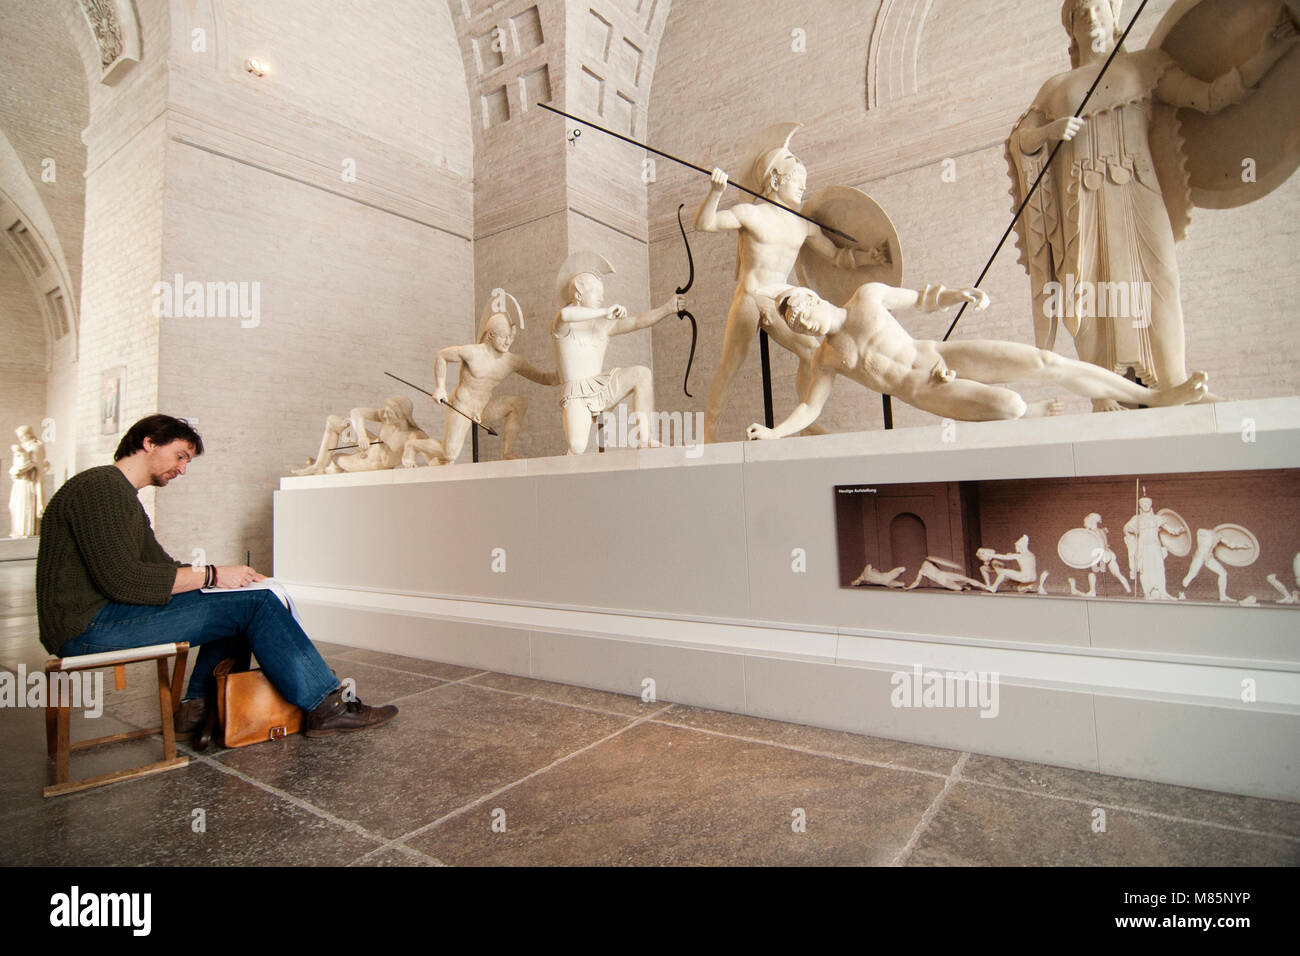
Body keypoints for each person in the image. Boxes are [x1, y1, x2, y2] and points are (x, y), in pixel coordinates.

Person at [1007, 0, 1297, 410]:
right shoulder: (1058, 88)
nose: (1090, 17)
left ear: (1115, 16)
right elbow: (1023, 142)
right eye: (1080, 13)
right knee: (1087, 293)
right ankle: (1104, 394)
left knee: (1161, 283)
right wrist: (1052, 130)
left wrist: (1268, 53)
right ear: (1070, 30)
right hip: (1082, 201)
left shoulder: (1145, 68)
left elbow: (1211, 98)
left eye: (1098, 8)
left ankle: (1174, 382)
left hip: (1139, 191)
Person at [36, 414, 396, 743]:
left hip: (104, 618)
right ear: (149, 442)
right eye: (180, 456)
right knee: (255, 606)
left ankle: (198, 711)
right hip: (86, 629)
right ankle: (328, 708)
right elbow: (125, 582)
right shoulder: (100, 488)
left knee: (241, 600)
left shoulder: (122, 497)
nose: (182, 469)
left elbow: (162, 568)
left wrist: (226, 577)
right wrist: (211, 575)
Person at [744, 283, 1210, 440]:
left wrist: (956, 294)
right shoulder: (827, 359)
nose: (808, 324)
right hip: (928, 390)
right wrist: (773, 431)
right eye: (800, 326)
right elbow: (811, 408)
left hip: (940, 355)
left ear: (816, 297)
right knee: (1012, 407)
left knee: (1046, 360)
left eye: (807, 312)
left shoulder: (866, 298)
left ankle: (1151, 396)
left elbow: (921, 299)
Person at [694, 129, 885, 442]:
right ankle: (709, 432)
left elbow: (837, 256)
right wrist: (715, 192)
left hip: (781, 299)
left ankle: (805, 421)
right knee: (730, 364)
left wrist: (869, 256)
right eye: (797, 179)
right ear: (776, 180)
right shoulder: (750, 214)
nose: (803, 186)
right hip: (750, 296)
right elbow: (705, 224)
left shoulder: (803, 226)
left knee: (813, 351)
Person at [552, 264, 683, 455]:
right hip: (577, 394)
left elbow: (638, 321)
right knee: (577, 446)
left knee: (641, 374)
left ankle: (645, 440)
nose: (602, 297)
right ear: (579, 294)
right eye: (596, 291)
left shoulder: (604, 326)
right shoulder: (562, 326)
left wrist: (667, 308)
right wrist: (604, 312)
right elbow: (565, 314)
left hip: (602, 386)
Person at [402, 309, 557, 466]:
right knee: (449, 454)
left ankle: (507, 452)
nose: (508, 342)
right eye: (504, 337)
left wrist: (563, 375)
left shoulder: (512, 361)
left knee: (518, 403)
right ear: (490, 335)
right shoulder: (472, 353)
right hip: (462, 405)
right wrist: (440, 387)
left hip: (483, 407)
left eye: (511, 337)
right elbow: (442, 356)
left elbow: (543, 378)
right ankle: (412, 446)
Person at [293, 395, 425, 475]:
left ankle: (326, 468)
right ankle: (319, 466)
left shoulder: (415, 434)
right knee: (332, 421)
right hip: (368, 446)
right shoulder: (386, 419)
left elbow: (432, 453)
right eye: (385, 412)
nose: (384, 416)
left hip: (372, 462)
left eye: (389, 413)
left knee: (336, 457)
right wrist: (362, 436)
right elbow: (356, 412)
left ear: (402, 415)